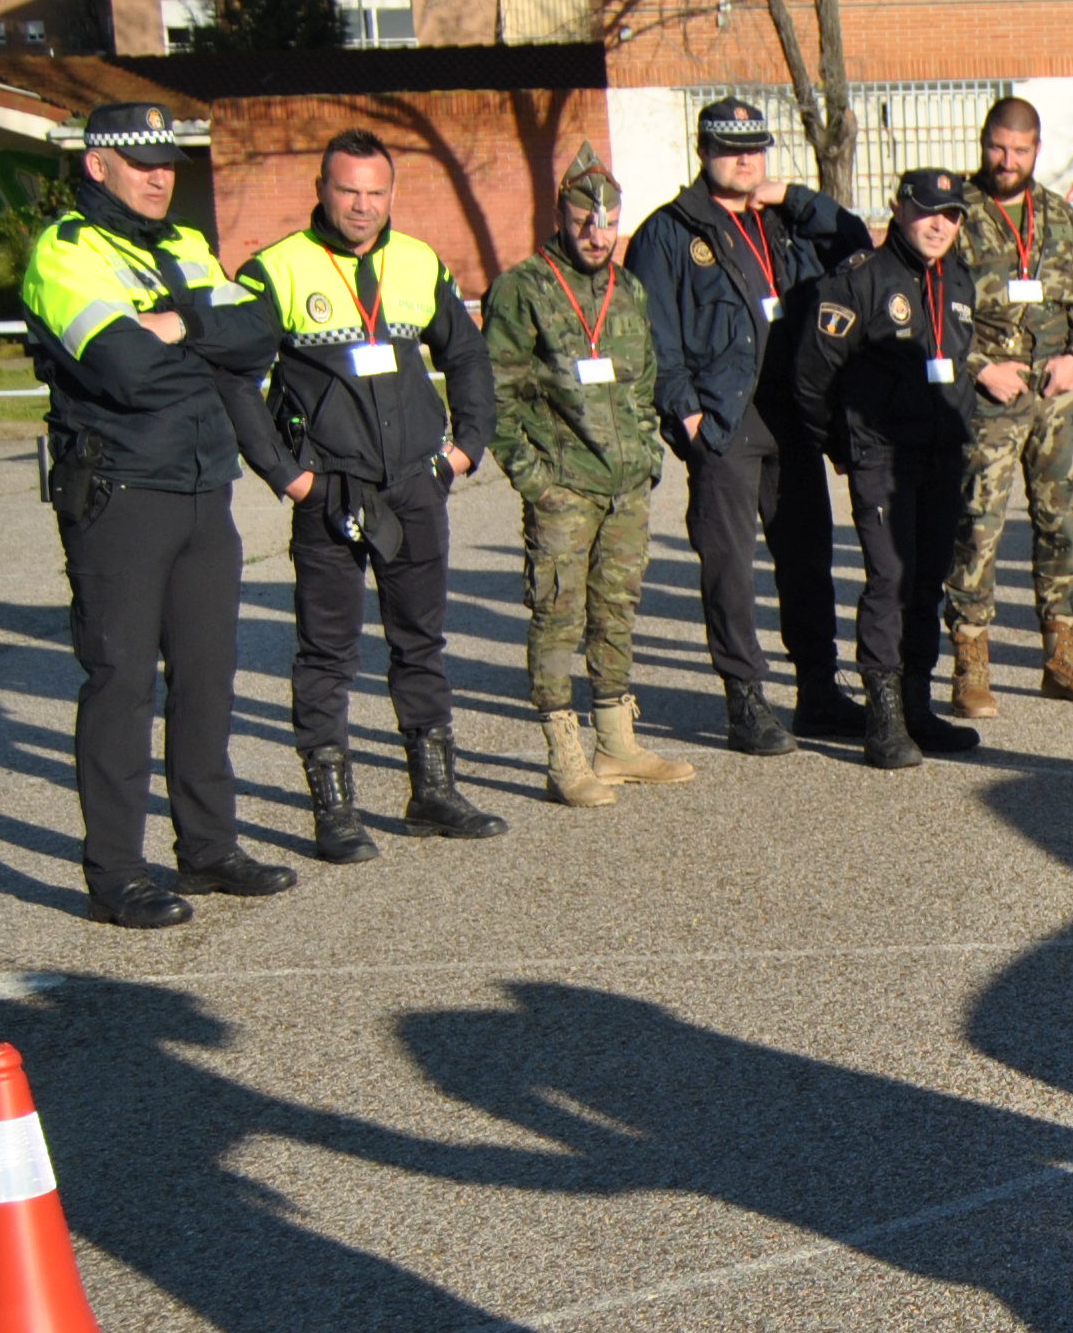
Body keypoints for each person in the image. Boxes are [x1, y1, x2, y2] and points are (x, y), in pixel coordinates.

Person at [17, 100, 297, 928]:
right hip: (122, 492)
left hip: (204, 485)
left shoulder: (184, 245)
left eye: (167, 165)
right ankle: (116, 873)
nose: (158, 178)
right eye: (140, 164)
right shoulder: (66, 252)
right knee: (122, 685)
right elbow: (125, 371)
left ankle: (208, 848)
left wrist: (176, 324)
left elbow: (259, 334)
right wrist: (202, 342)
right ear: (96, 164)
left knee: (208, 680)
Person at [233, 129, 504, 860]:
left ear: (391, 194)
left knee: (422, 643)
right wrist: (288, 476)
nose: (362, 205)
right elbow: (234, 381)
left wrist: (463, 450)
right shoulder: (276, 270)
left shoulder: (418, 262)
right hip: (330, 492)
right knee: (327, 654)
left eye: (375, 192)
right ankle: (335, 811)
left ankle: (433, 792)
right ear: (322, 189)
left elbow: (468, 355)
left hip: (415, 484)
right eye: (348, 190)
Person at [625, 97, 872, 757]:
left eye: (755, 149)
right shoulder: (669, 233)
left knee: (808, 557)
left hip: (794, 416)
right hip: (725, 420)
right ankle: (745, 699)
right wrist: (686, 415)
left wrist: (795, 197)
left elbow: (854, 245)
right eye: (730, 149)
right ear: (703, 152)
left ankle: (817, 690)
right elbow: (652, 336)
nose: (744, 161)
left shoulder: (784, 222)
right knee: (730, 568)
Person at [484, 146, 697, 807]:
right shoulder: (523, 289)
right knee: (558, 615)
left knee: (617, 611)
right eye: (584, 222)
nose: (597, 236)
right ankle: (563, 754)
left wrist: (646, 456)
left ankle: (615, 742)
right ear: (561, 217)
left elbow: (642, 382)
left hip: (625, 488)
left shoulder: (627, 288)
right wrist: (537, 482)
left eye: (607, 223)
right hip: (564, 488)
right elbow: (495, 398)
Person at [791, 168, 987, 765]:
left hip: (940, 455)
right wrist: (843, 444)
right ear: (899, 210)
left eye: (951, 215)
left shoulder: (959, 279)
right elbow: (812, 376)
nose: (939, 225)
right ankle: (883, 719)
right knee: (890, 581)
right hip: (882, 454)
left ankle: (915, 706)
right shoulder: (861, 279)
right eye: (927, 211)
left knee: (928, 580)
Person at [941, 97, 1073, 714]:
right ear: (983, 142)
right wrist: (978, 368)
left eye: (1019, 150)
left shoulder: (1058, 216)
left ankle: (1062, 658)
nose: (1007, 160)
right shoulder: (956, 214)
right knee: (977, 528)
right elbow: (932, 307)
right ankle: (970, 667)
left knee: (1060, 526)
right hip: (989, 400)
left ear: (1036, 149)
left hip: (1056, 399)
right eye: (998, 147)